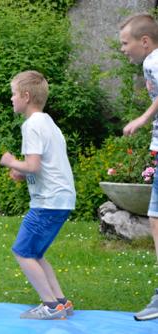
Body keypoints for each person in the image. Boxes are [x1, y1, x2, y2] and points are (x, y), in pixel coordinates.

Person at [0, 70, 76, 320]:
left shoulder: (31, 125)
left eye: (13, 94)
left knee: (22, 251)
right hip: (61, 198)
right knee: (36, 253)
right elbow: (42, 165)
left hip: (48, 202)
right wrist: (21, 173)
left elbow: (33, 166)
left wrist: (11, 161)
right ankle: (61, 302)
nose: (11, 99)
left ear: (26, 96)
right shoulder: (48, 123)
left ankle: (50, 306)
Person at [119, 13, 158, 321]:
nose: (122, 49)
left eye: (125, 42)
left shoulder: (152, 61)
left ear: (144, 42)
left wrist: (143, 119)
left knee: (156, 218)